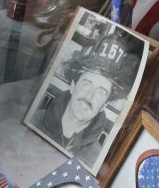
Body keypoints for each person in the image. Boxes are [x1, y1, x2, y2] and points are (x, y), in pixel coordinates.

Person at [30, 31, 141, 167]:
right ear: (73, 85)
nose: (90, 96)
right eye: (87, 83)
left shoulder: (95, 160)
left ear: (105, 105)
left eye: (101, 92)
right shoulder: (34, 120)